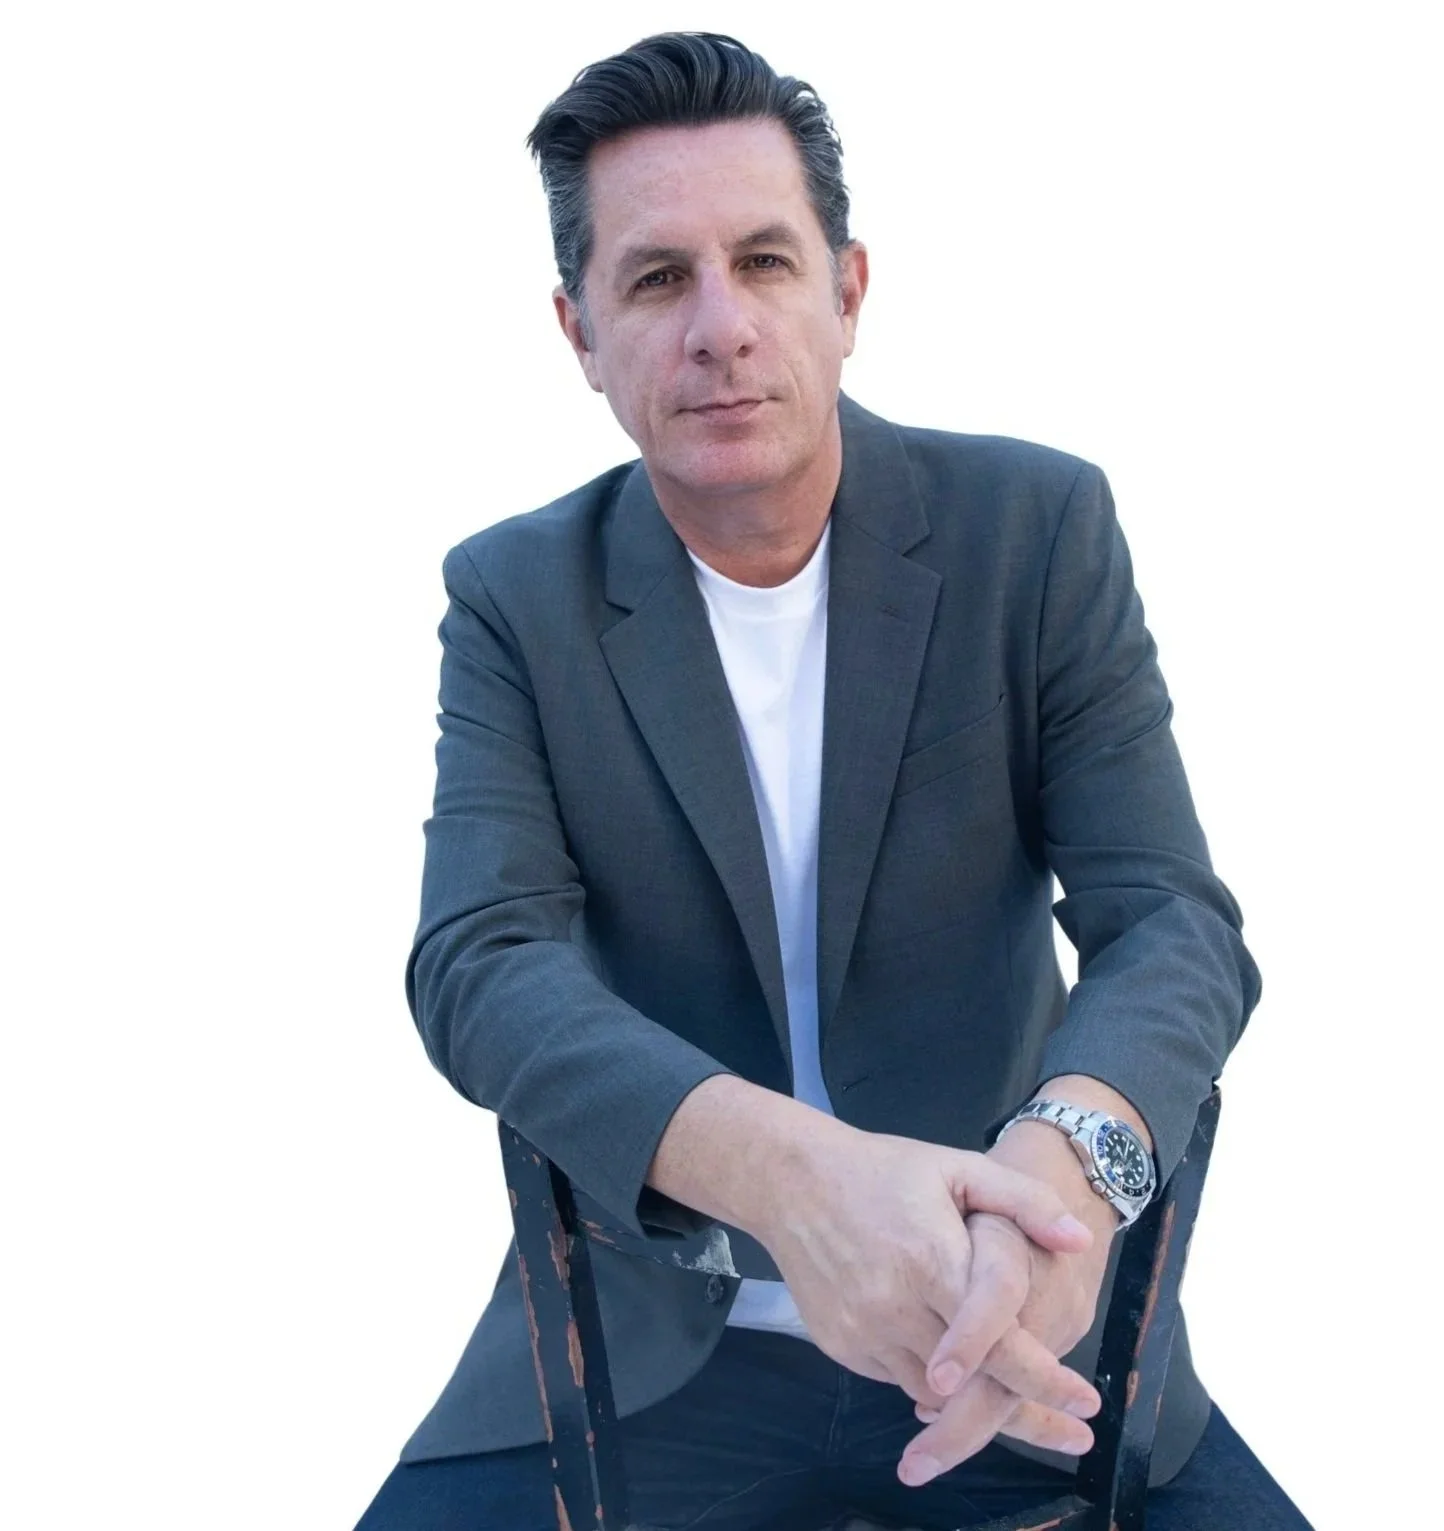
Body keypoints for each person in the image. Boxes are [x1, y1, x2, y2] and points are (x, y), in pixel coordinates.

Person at [355, 31, 1312, 1531]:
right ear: (579, 332)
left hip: (1004, 1321)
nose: (721, 327)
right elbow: (479, 963)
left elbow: (1170, 919)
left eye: (766, 262)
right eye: (658, 279)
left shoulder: (1032, 529)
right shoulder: (515, 597)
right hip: (653, 1357)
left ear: (848, 291)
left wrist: (1069, 1169)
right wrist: (793, 1178)